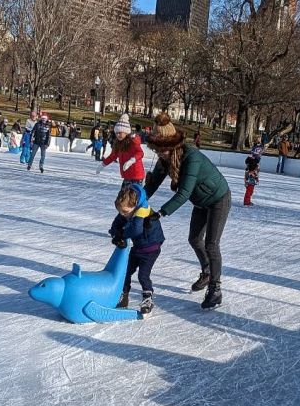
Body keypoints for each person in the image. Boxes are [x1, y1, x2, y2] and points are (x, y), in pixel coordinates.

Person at [146, 112, 231, 310]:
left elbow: (184, 193)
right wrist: (137, 202)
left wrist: (160, 213)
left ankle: (215, 289)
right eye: (157, 150)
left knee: (211, 244)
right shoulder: (165, 160)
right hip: (201, 202)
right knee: (194, 239)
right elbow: (153, 185)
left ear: (172, 147)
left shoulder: (192, 158)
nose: (159, 154)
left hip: (219, 199)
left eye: (162, 150)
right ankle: (207, 271)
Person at [109, 183, 165, 315]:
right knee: (125, 272)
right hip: (138, 248)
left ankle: (147, 299)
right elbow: (117, 223)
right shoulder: (127, 209)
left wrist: (122, 235)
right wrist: (116, 234)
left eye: (125, 212)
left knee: (143, 275)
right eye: (120, 211)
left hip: (151, 249)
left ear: (135, 206)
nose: (123, 214)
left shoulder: (142, 211)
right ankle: (123, 296)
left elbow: (136, 230)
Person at [97, 113, 145, 186]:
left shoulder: (133, 142)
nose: (118, 135)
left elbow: (140, 153)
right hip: (126, 175)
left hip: (136, 176)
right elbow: (112, 156)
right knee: (122, 196)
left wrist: (131, 161)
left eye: (120, 133)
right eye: (117, 133)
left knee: (132, 197)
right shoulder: (118, 144)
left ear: (126, 132)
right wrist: (103, 164)